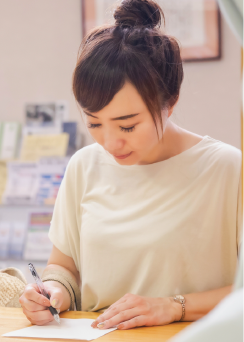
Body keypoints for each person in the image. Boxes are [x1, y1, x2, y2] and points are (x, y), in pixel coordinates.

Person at [19, 0, 242, 331]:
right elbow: (63, 267)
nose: (109, 143)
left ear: (171, 101)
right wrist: (53, 291)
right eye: (94, 124)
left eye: (127, 126)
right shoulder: (84, 166)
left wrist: (173, 307)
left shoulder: (228, 169)